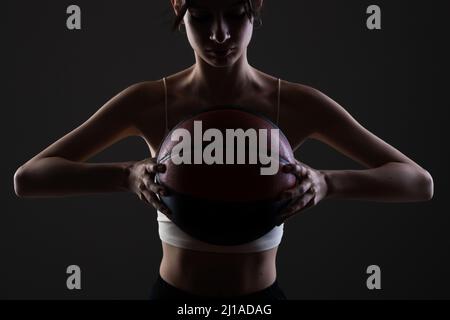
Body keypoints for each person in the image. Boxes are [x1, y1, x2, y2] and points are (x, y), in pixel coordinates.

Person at [13, 0, 434, 300]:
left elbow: (418, 182)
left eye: (235, 15)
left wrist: (328, 183)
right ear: (180, 8)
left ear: (256, 8)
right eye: (202, 16)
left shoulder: (294, 103)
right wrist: (124, 175)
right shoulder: (150, 102)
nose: (220, 34)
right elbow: (29, 178)